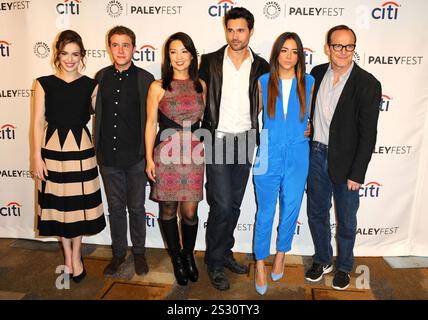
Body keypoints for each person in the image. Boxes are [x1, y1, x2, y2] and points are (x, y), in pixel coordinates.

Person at [305, 25, 381, 290]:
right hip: (316, 155)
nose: (343, 51)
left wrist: (357, 173)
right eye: (337, 45)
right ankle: (323, 259)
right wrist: (308, 126)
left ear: (354, 49)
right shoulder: (315, 74)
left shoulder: (367, 83)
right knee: (316, 212)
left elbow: (368, 134)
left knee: (347, 220)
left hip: (347, 162)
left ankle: (345, 266)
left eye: (349, 46)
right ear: (327, 48)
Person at [199, 7, 270, 291]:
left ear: (251, 32)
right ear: (225, 30)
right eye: (230, 30)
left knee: (236, 203)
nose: (235, 36)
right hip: (216, 139)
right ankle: (214, 261)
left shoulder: (262, 66)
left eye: (240, 30)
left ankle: (225, 251)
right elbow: (194, 95)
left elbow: (273, 101)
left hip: (245, 140)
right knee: (222, 203)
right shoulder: (210, 61)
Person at [32, 30, 106, 283]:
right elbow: (37, 122)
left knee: (77, 207)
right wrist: (35, 156)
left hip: (82, 151)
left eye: (75, 54)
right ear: (57, 54)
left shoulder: (91, 86)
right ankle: (68, 256)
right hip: (52, 151)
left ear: (82, 56)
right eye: (65, 53)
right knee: (59, 207)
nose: (70, 59)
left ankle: (76, 253)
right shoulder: (43, 83)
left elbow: (107, 118)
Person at [253, 32, 314, 295]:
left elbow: (312, 116)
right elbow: (252, 116)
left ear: (300, 56)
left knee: (290, 208)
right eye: (284, 50)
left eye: (294, 51)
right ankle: (259, 263)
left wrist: (309, 125)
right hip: (268, 151)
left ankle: (280, 253)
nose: (289, 56)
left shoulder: (310, 82)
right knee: (265, 211)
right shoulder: (263, 81)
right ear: (276, 53)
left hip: (298, 153)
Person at [145, 32, 206, 286]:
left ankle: (188, 254)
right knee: (168, 209)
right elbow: (150, 124)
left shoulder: (200, 85)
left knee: (190, 212)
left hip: (193, 154)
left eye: (184, 51)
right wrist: (149, 159)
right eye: (173, 52)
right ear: (167, 57)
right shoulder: (158, 86)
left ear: (192, 55)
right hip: (166, 155)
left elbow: (206, 121)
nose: (179, 57)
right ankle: (176, 258)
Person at [93, 26, 154, 276]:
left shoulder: (146, 79)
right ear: (109, 48)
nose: (120, 50)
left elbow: (153, 120)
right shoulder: (100, 77)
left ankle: (139, 253)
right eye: (115, 45)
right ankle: (118, 253)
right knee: (116, 209)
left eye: (125, 45)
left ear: (134, 48)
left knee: (137, 208)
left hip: (136, 157)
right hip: (108, 156)